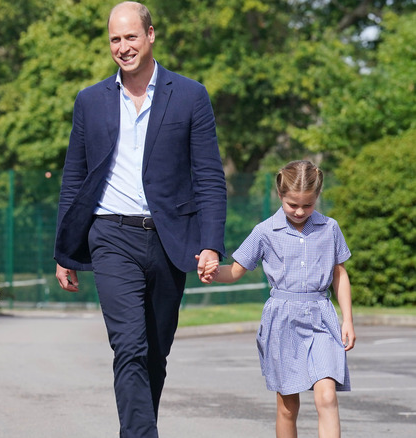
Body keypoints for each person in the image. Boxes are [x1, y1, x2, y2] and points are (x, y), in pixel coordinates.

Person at [53, 2, 227, 436]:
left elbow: (208, 176)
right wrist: (64, 251)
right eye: (115, 39)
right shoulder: (90, 101)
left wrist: (211, 243)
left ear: (151, 35)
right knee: (128, 346)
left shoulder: (190, 95)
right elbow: (74, 178)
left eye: (131, 37)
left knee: (154, 354)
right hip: (110, 235)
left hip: (171, 240)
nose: (123, 47)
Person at [203, 160, 355, 438]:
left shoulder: (329, 228)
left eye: (307, 205)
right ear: (280, 195)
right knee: (288, 406)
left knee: (327, 397)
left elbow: (339, 274)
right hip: (282, 321)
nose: (299, 211)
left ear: (317, 198)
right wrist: (212, 272)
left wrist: (348, 320)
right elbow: (235, 271)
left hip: (322, 317)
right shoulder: (264, 232)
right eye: (292, 205)